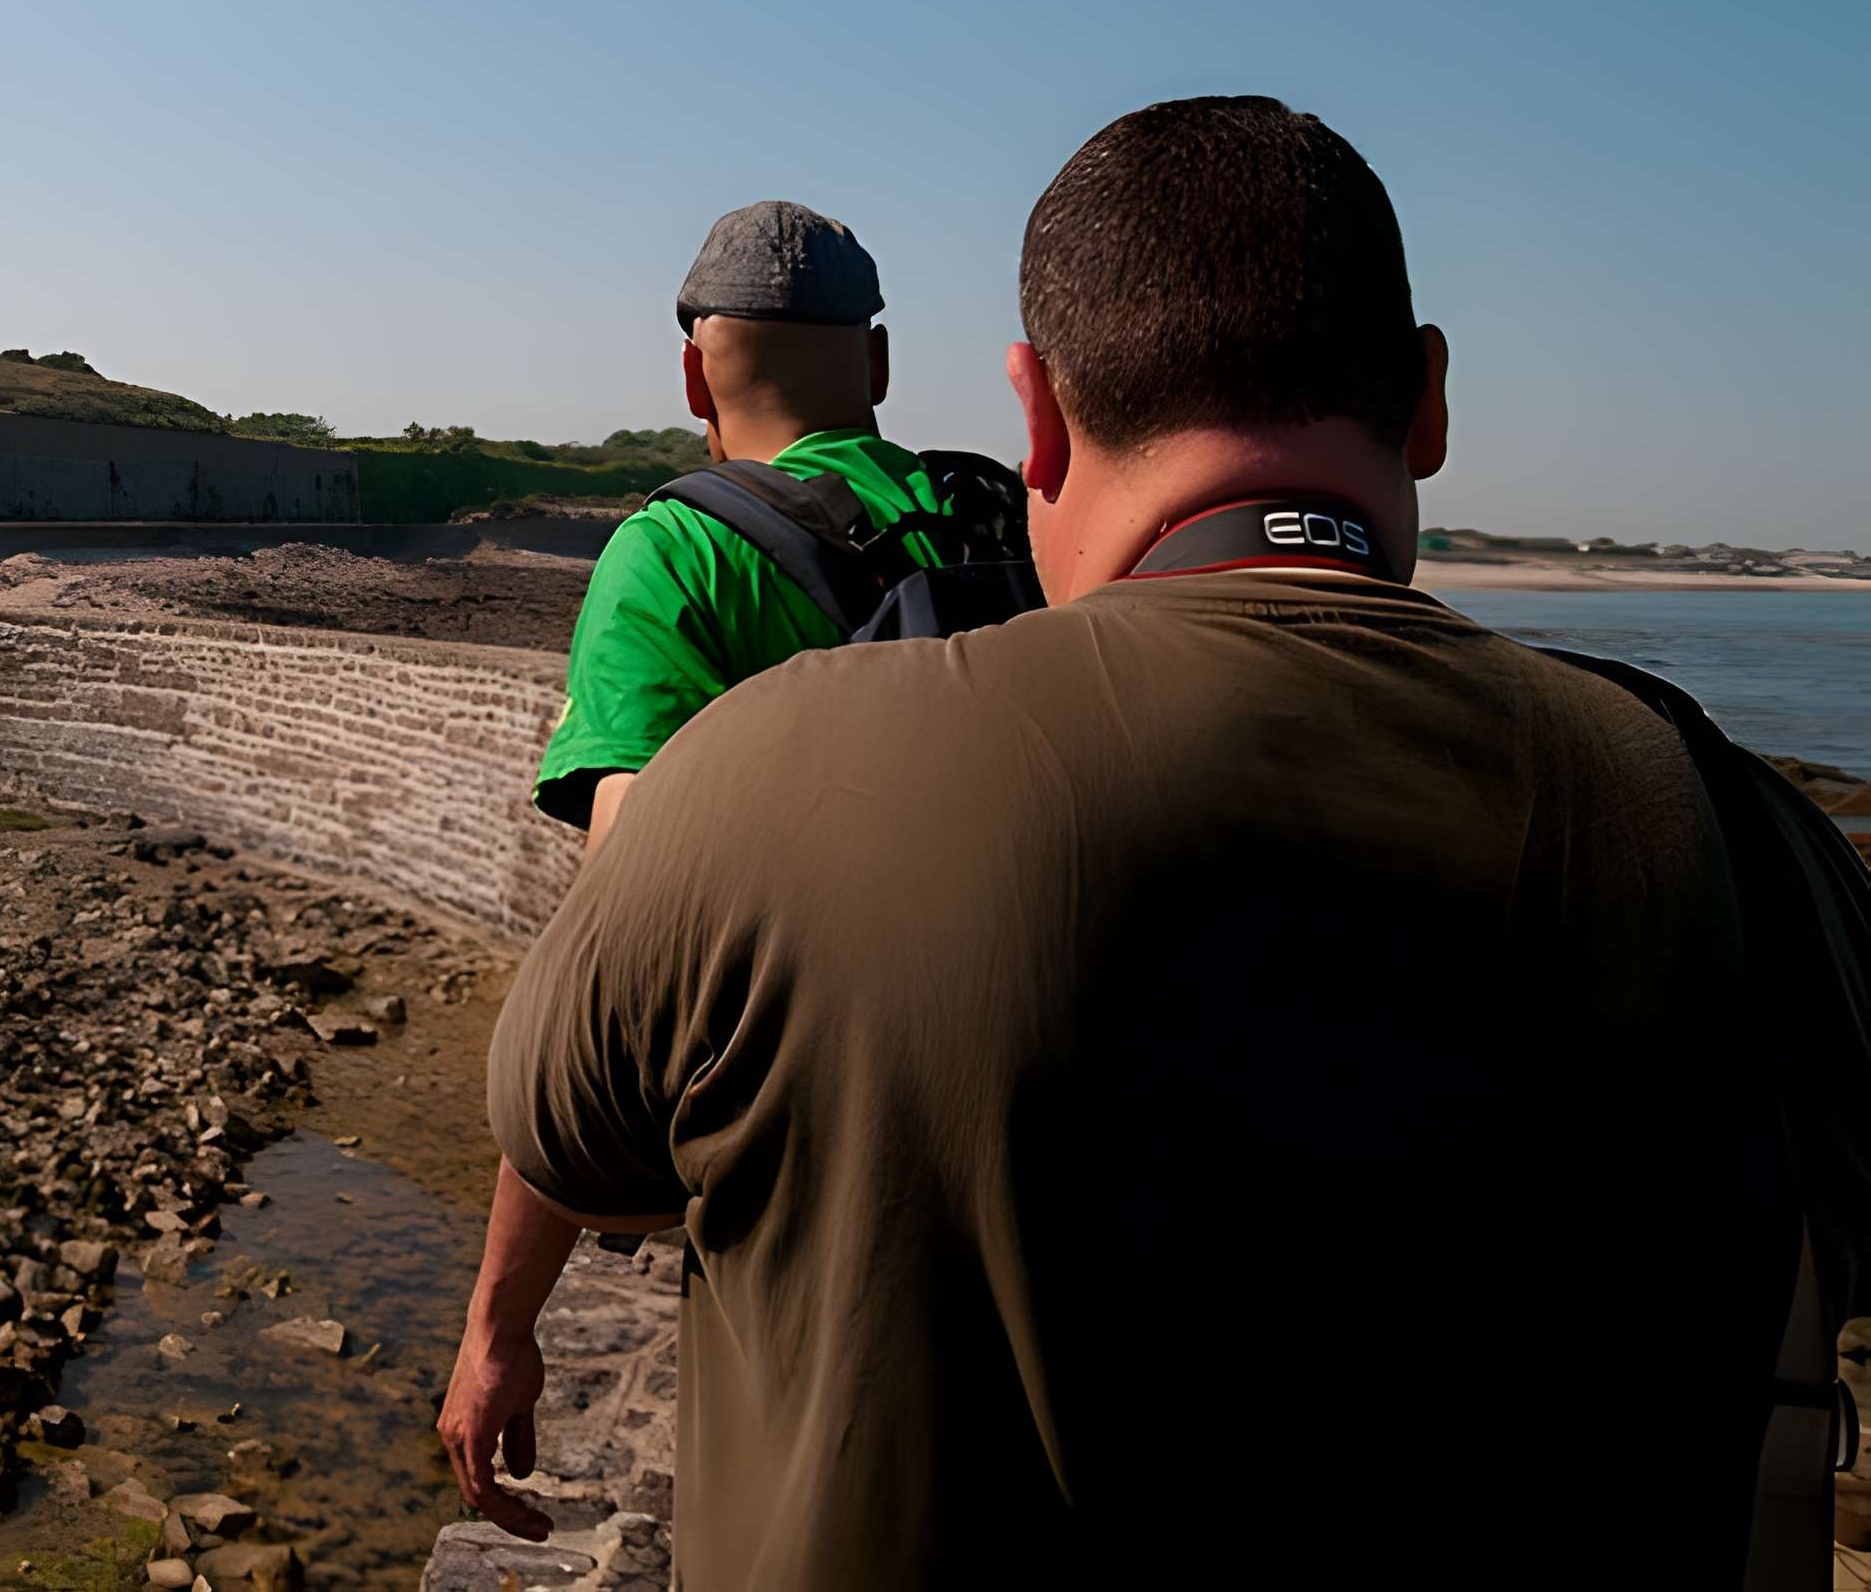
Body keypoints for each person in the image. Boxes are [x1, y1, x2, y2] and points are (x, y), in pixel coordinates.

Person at [441, 96, 1799, 1587]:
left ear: (1040, 416)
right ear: (1428, 400)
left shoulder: (702, 635)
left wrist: (503, 1329)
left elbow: (616, 1030)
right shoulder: (1730, 811)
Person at [532, 200, 962, 850]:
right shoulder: (1002, 508)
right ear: (878, 363)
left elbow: (630, 862)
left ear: (692, 379)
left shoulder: (672, 549)